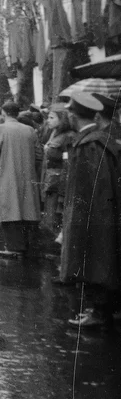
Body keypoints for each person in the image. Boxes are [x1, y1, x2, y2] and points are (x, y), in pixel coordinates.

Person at [59, 93, 121, 328]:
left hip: (93, 213)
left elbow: (95, 185)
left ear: (73, 116)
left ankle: (99, 312)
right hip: (99, 210)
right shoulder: (99, 139)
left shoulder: (90, 144)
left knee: (96, 259)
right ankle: (103, 309)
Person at [0, 102, 40, 257]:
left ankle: (14, 247)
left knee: (9, 209)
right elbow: (39, 154)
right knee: (26, 209)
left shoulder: (0, 129)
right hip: (28, 176)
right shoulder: (29, 130)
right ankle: (25, 245)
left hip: (7, 174)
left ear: (4, 113)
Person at [41, 106, 76, 240]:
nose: (48, 121)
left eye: (52, 117)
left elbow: (68, 163)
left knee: (56, 216)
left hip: (59, 181)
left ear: (62, 119)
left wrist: (63, 190)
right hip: (51, 180)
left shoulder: (68, 137)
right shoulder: (54, 133)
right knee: (50, 217)